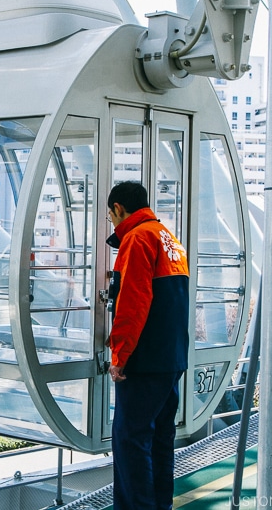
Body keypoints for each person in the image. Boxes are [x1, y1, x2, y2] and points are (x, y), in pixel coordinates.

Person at [105, 181, 189, 510]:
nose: (113, 225)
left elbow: (132, 302)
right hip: (171, 358)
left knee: (130, 440)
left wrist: (119, 356)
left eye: (111, 217)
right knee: (159, 439)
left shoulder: (138, 238)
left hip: (145, 360)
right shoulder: (168, 238)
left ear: (118, 209)